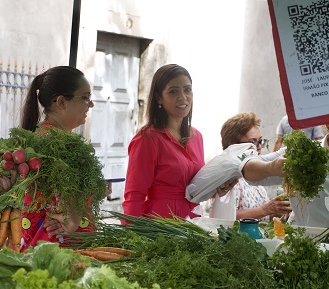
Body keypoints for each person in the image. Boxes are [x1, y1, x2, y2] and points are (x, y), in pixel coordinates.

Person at [240, 117, 329, 229]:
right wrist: (271, 167)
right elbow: (247, 170)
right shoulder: (302, 155)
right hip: (309, 246)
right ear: (328, 124)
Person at [17, 65, 96, 249]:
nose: (90, 105)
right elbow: (70, 208)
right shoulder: (59, 143)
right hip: (58, 245)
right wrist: (72, 220)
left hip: (41, 243)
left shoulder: (41, 136)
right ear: (61, 102)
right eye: (85, 98)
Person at [123, 64, 211, 219]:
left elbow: (198, 184)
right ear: (159, 97)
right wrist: (131, 237)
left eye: (187, 89)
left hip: (194, 221)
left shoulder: (197, 137)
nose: (183, 97)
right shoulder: (147, 139)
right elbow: (134, 195)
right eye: (173, 91)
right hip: (160, 224)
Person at [218, 112, 291, 221]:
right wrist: (266, 209)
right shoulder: (228, 179)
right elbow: (223, 217)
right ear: (232, 145)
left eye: (260, 141)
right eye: (252, 142)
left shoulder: (258, 177)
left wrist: (278, 212)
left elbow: (262, 216)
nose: (259, 147)